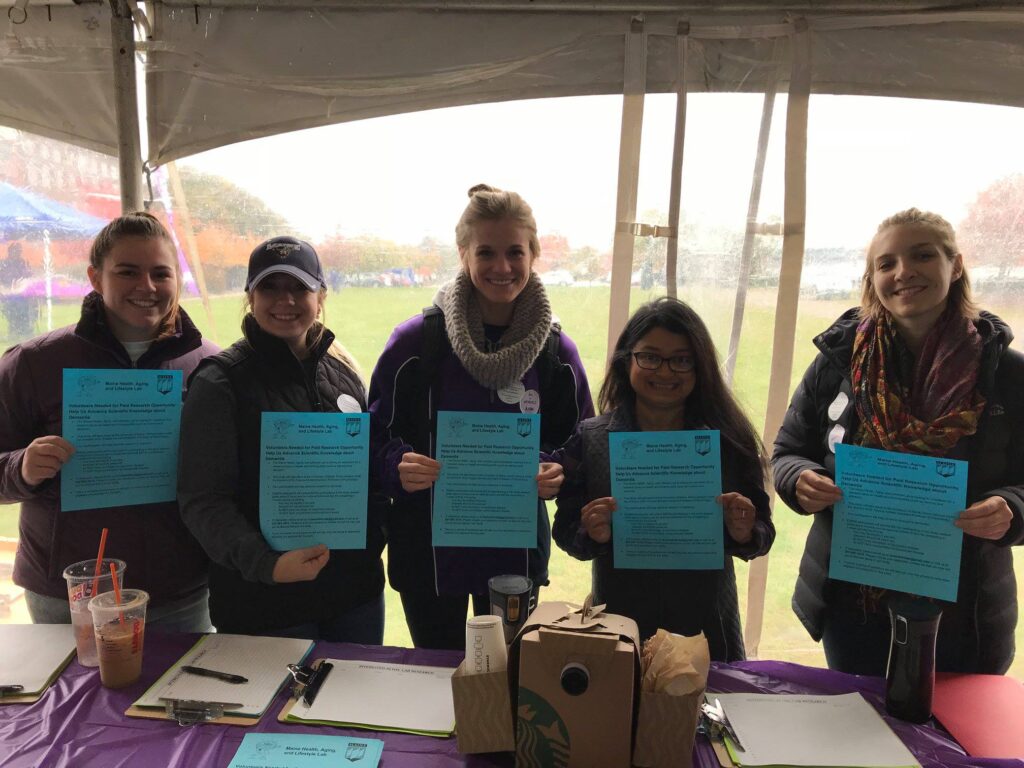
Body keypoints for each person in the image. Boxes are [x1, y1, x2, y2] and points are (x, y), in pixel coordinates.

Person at [773, 208, 1024, 675]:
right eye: (886, 264)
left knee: (948, 746)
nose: (903, 272)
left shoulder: (1009, 374)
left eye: (922, 256)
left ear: (957, 264)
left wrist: (1011, 508)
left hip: (963, 615)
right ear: (872, 279)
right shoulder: (837, 362)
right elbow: (787, 450)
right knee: (854, 738)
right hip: (854, 608)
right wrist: (799, 479)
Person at [369, 184, 594, 650]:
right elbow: (371, 437)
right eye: (486, 252)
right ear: (462, 254)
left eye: (515, 251)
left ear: (534, 253)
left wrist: (556, 468)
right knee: (438, 685)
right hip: (428, 558)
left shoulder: (556, 352)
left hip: (512, 556)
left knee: (510, 686)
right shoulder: (415, 343)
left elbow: (580, 442)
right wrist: (396, 466)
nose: (502, 267)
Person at [0, 212, 216, 630]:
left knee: (172, 695)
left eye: (160, 273)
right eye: (127, 272)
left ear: (177, 279)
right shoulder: (33, 363)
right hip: (69, 595)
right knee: (75, 696)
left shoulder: (209, 366)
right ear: (95, 278)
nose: (147, 287)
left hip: (177, 592)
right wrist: (22, 468)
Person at [178, 236, 385, 640]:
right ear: (250, 297)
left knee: (352, 704)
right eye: (269, 287)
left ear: (320, 296)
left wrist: (374, 536)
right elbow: (203, 501)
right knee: (277, 707)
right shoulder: (221, 381)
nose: (285, 300)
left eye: (299, 287)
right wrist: (267, 565)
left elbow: (367, 476)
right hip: (265, 603)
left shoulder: (343, 374)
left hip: (353, 596)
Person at [551, 297, 773, 659]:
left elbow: (762, 532)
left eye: (682, 360)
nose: (666, 372)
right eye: (651, 357)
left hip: (707, 626)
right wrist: (590, 533)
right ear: (627, 360)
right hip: (622, 622)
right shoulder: (591, 438)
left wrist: (744, 530)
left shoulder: (729, 439)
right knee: (624, 711)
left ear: (700, 366)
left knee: (707, 713)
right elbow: (565, 530)